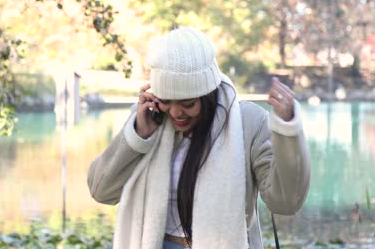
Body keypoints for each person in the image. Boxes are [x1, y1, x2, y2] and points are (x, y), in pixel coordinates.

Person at [87, 27, 310, 249]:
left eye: (188, 104)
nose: (175, 113)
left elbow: (286, 203)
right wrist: (138, 135)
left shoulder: (248, 124)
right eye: (166, 100)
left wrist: (288, 132)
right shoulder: (150, 120)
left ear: (208, 94)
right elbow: (102, 191)